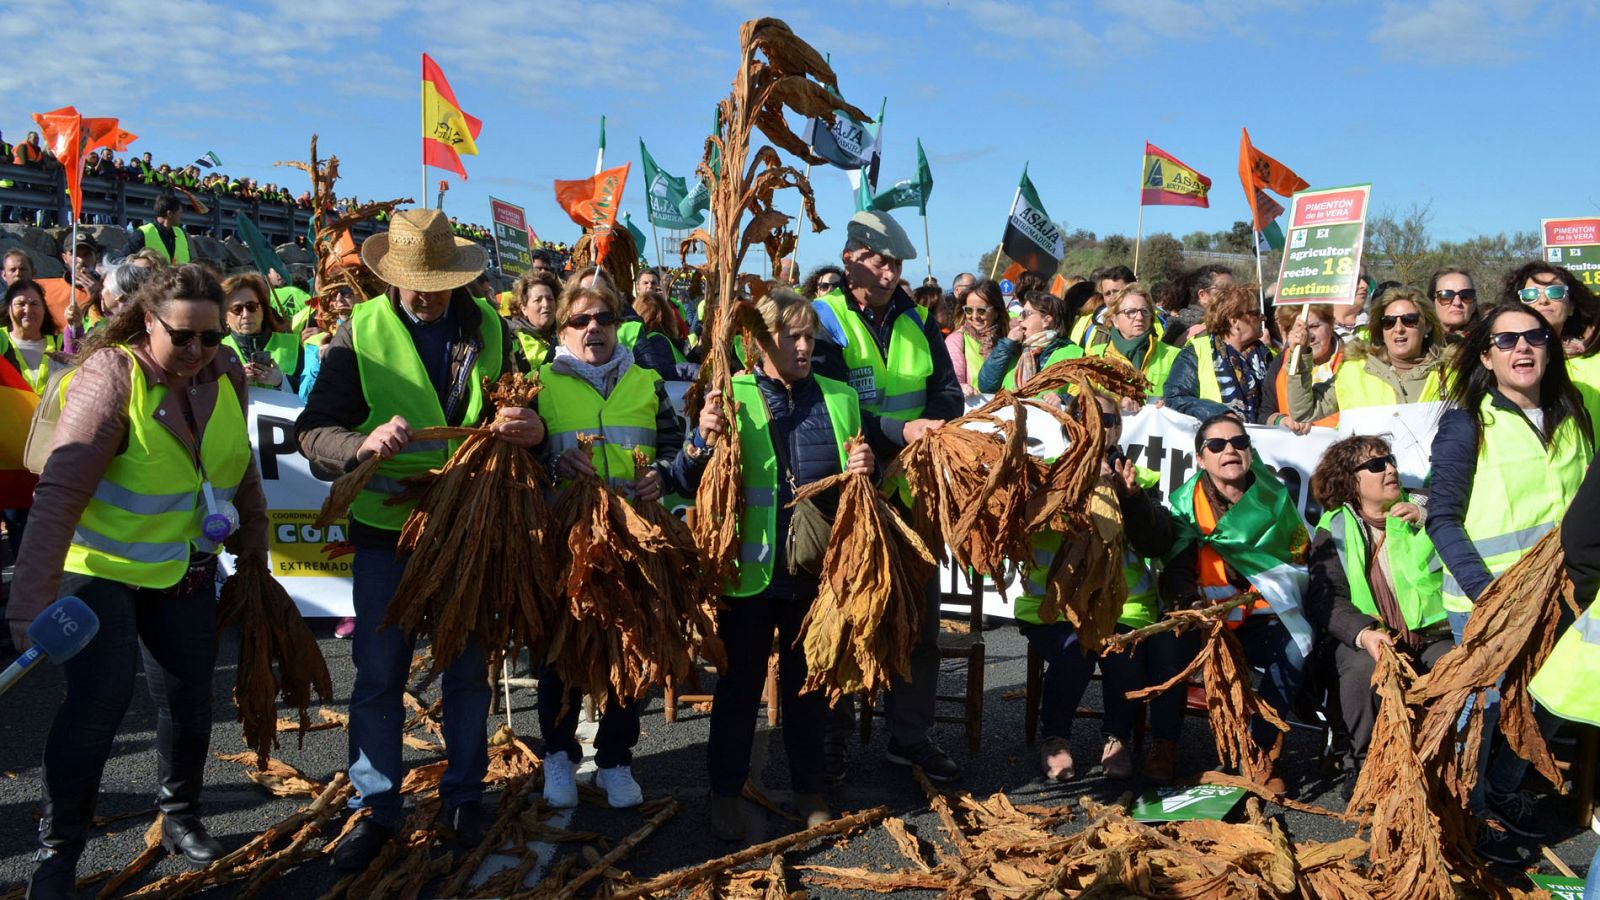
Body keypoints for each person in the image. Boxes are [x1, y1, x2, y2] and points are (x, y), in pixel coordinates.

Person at [8, 265, 269, 895]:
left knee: (187, 698)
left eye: (210, 339)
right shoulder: (109, 378)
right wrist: (27, 606)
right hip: (100, 573)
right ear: (149, 322)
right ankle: (59, 850)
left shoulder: (224, 373)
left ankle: (180, 815)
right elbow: (61, 492)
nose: (198, 352)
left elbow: (242, 474)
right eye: (183, 337)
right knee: (99, 704)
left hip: (182, 570)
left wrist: (254, 563)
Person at [295, 209, 541, 870]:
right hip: (386, 534)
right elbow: (314, 431)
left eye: (437, 280)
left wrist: (527, 427)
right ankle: (374, 808)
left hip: (468, 527)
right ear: (391, 275)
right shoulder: (360, 331)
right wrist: (359, 445)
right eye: (413, 280)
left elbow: (523, 410)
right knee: (379, 675)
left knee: (466, 669)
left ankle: (464, 794)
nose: (426, 292)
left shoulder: (491, 326)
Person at [691, 288, 871, 841]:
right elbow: (689, 478)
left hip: (813, 576)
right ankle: (725, 793)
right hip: (747, 578)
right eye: (790, 336)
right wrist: (701, 442)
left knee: (807, 688)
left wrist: (868, 466)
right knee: (739, 691)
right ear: (758, 341)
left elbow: (858, 493)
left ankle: (809, 790)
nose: (802, 345)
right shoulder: (730, 394)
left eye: (808, 336)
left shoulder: (840, 397)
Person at [1426, 302, 1596, 853]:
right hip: (1489, 601)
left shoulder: (1575, 414)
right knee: (1487, 710)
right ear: (1486, 356)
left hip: (1565, 597)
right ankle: (1468, 817)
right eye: (1506, 341)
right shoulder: (1467, 420)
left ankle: (1501, 793)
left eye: (1534, 337)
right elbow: (1441, 517)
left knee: (1547, 705)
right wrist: (1487, 593)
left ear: (1550, 348)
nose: (1522, 348)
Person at [810, 209, 964, 783]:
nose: (890, 270)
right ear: (852, 258)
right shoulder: (823, 320)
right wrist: (900, 432)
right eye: (879, 259)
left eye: (896, 262)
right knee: (846, 615)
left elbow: (948, 394)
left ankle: (910, 735)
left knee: (918, 622)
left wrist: (927, 429)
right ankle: (832, 736)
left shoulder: (918, 320)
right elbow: (829, 404)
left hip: (911, 490)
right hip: (850, 492)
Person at [534, 278, 690, 811]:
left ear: (620, 323)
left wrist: (664, 476)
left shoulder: (646, 381)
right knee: (561, 651)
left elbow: (674, 449)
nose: (592, 328)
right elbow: (519, 462)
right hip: (567, 539)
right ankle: (558, 757)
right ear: (562, 328)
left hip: (635, 539)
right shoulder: (540, 384)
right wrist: (552, 465)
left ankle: (615, 761)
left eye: (603, 317)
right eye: (579, 320)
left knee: (634, 647)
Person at [1149, 413, 1311, 792]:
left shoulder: (1275, 497)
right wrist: (1191, 604)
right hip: (1204, 616)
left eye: (1239, 442)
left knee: (1295, 651)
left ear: (1250, 452)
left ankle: (1259, 750)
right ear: (1201, 459)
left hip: (1262, 616)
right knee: (1165, 645)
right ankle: (1164, 743)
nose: (1230, 451)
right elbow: (1176, 569)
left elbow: (1297, 558)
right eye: (1217, 445)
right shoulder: (1186, 505)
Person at [1025, 393, 1173, 781]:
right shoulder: (1042, 477)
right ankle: (1055, 740)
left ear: (1119, 428)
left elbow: (1158, 544)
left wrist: (1131, 499)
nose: (1097, 426)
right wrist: (1067, 494)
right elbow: (1025, 532)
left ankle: (1117, 739)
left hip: (1125, 608)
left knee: (1122, 655)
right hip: (1055, 609)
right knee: (1074, 652)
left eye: (1107, 419)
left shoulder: (1142, 480)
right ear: (1067, 424)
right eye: (1083, 416)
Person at [1304, 436, 1450, 796]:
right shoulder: (1334, 526)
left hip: (1431, 633)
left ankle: (1447, 764)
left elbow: (1469, 529)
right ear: (1351, 481)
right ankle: (1364, 763)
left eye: (1391, 460)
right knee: (1362, 670)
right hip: (1369, 635)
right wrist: (1364, 633)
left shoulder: (1428, 506)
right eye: (1376, 465)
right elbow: (1325, 597)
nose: (1390, 469)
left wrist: (1431, 518)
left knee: (1457, 669)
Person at [1287, 288, 1446, 423]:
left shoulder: (1451, 372)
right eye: (1389, 321)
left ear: (1428, 327)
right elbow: (1303, 412)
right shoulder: (1354, 370)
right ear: (1381, 329)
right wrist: (1300, 356)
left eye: (1409, 320)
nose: (1398, 328)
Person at [1163, 284, 1273, 422]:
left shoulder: (1267, 355)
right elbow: (1175, 397)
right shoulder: (1197, 351)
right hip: (1217, 438)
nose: (1263, 318)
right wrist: (1219, 413)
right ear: (1234, 321)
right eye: (1256, 313)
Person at [1083, 283, 1179, 404]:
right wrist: (1118, 403)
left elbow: (1183, 398)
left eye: (1144, 311)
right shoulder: (1097, 356)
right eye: (1131, 312)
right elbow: (1081, 395)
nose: (1139, 317)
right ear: (1114, 319)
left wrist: (1169, 403)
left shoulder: (1173, 355)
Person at [976, 289, 1084, 395]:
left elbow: (1080, 396)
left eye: (1025, 314)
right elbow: (986, 386)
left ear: (1046, 320)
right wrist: (1006, 345)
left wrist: (1063, 400)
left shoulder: (1073, 354)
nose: (1019, 319)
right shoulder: (1013, 350)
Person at [1262, 304, 1342, 431]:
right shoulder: (1282, 361)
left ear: (1331, 325)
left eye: (1314, 326)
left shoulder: (1352, 360)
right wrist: (1281, 420)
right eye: (1299, 330)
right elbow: (1264, 414)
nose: (1308, 336)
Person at [220, 273, 301, 392]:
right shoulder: (217, 351)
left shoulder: (292, 344)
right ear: (224, 316)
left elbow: (311, 390)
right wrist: (234, 381)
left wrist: (281, 380)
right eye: (237, 309)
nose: (246, 315)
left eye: (251, 307)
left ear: (263, 310)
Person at [944, 279, 1007, 396]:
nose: (974, 316)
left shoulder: (1008, 339)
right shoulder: (956, 340)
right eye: (968, 310)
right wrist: (961, 387)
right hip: (973, 409)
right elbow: (953, 378)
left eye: (981, 311)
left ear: (997, 312)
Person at [1161, 264, 1232, 347]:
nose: (1232, 294)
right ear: (1202, 295)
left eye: (1234, 289)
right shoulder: (1186, 326)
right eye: (1224, 289)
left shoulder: (1227, 323)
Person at [508, 269, 559, 368]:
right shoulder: (513, 341)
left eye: (550, 299)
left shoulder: (566, 334)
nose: (546, 304)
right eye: (538, 300)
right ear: (524, 309)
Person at [126, 196, 192, 265]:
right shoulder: (142, 234)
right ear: (169, 214)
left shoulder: (181, 233)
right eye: (180, 213)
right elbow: (121, 261)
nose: (182, 216)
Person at [1428, 266, 1479, 343]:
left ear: (1474, 305)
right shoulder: (1416, 346)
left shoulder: (1488, 347)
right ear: (1432, 302)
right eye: (1446, 295)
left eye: (1466, 295)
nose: (1457, 302)